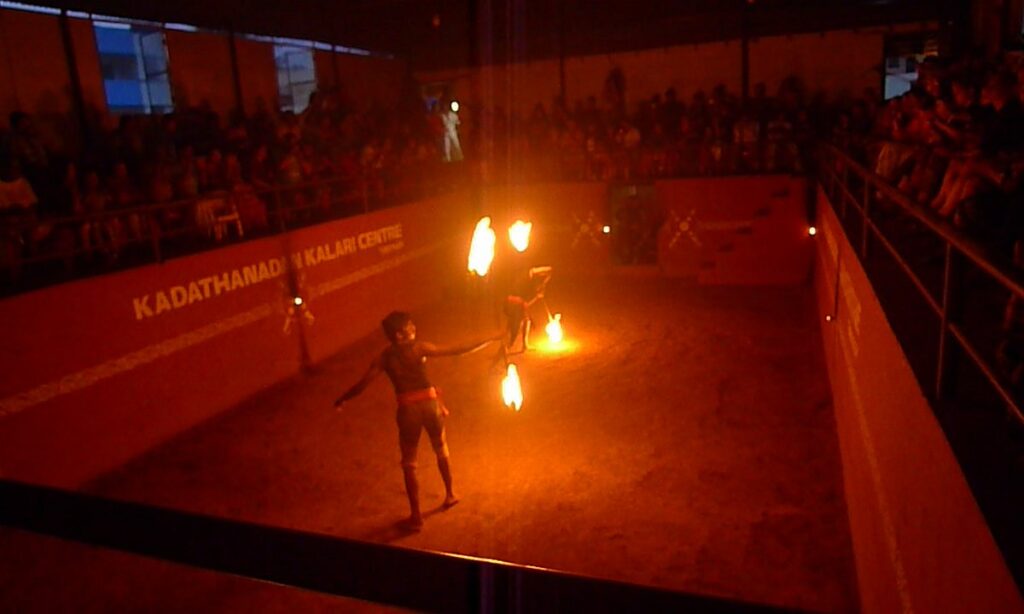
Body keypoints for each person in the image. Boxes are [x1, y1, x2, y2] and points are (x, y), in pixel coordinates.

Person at [333, 311, 502, 529]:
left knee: (409, 464)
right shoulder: (419, 348)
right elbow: (457, 349)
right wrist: (491, 337)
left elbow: (362, 384)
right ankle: (450, 494)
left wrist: (342, 399)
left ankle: (416, 516)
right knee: (441, 449)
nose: (413, 328)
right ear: (399, 335)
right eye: (408, 327)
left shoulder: (384, 358)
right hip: (430, 406)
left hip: (408, 411)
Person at [502, 266, 553, 354]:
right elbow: (533, 270)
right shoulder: (528, 276)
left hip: (519, 301)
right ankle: (507, 346)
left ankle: (524, 345)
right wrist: (548, 270)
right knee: (515, 324)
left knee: (526, 320)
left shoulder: (533, 286)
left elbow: (527, 304)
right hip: (511, 300)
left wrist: (537, 297)